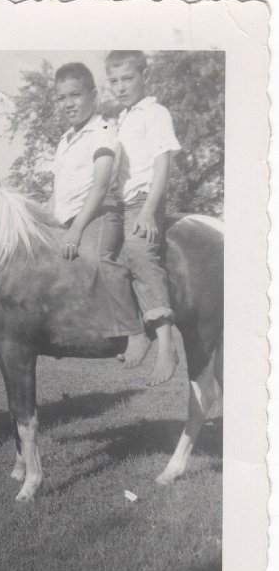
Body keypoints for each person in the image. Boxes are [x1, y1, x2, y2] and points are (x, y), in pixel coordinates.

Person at [50, 62, 149, 360]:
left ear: (93, 95)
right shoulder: (64, 140)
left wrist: (77, 229)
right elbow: (58, 191)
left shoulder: (104, 127)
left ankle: (135, 332)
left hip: (99, 214)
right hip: (67, 219)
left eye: (75, 95)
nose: (68, 104)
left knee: (98, 257)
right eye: (62, 98)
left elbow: (101, 184)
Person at [106, 50, 181, 385]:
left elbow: (162, 164)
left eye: (128, 78)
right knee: (105, 259)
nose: (121, 86)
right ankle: (138, 331)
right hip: (118, 204)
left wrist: (150, 210)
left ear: (143, 76)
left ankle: (166, 344)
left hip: (142, 201)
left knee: (139, 251)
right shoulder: (119, 119)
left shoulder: (155, 112)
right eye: (114, 80)